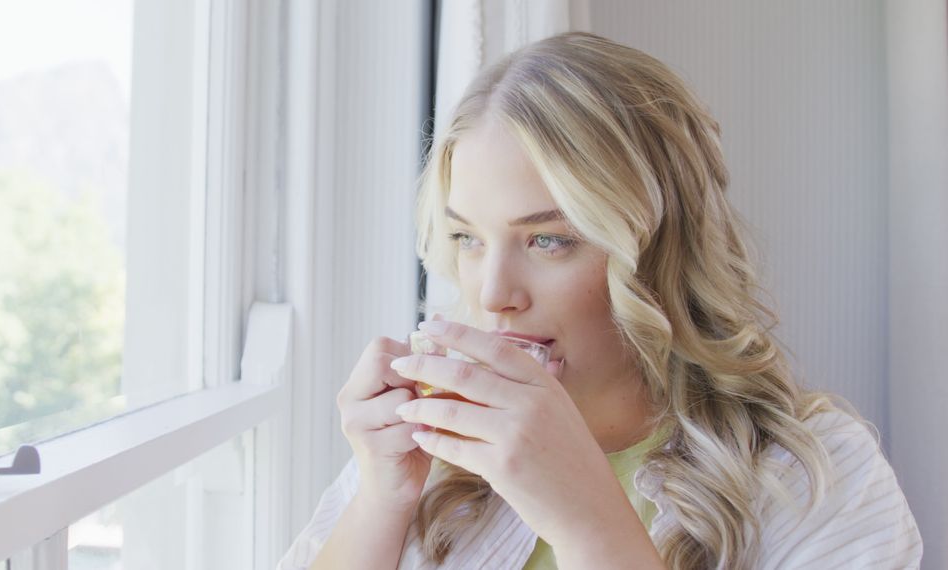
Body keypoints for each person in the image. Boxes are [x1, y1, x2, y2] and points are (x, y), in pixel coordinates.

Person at [278, 32, 923, 569]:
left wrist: (588, 522)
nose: (494, 293)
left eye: (549, 240)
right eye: (467, 238)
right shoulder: (434, 461)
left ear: (661, 248)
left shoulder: (818, 475)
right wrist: (381, 501)